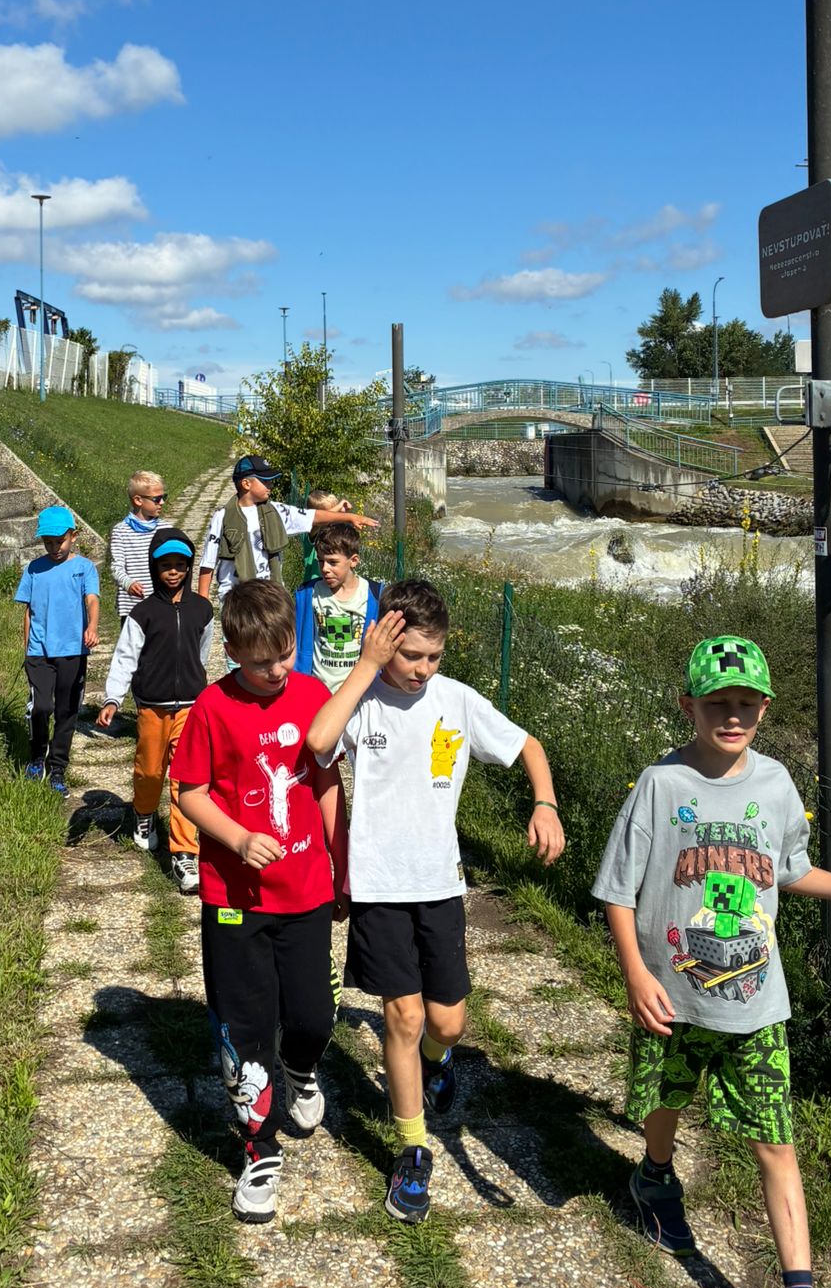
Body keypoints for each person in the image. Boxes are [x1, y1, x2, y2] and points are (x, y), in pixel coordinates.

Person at [591, 634, 831, 1288]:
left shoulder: (776, 784)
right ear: (688, 705)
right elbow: (617, 888)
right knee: (665, 1100)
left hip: (757, 1004)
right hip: (673, 993)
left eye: (747, 704)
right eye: (718, 703)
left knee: (777, 1144)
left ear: (766, 709)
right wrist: (635, 974)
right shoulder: (661, 784)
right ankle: (654, 1176)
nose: (733, 716)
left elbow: (790, 869)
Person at [305, 582, 563, 1223]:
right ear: (384, 641)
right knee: (404, 1015)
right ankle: (412, 1150)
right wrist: (366, 665)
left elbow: (529, 747)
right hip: (379, 888)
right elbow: (317, 743)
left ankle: (435, 1062)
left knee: (446, 1023)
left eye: (433, 656)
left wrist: (545, 803)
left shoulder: (456, 701)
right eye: (411, 655)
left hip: (441, 886)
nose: (422, 669)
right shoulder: (363, 700)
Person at [173, 579, 346, 1223]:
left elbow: (326, 784)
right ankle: (259, 1148)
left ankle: (300, 1066)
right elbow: (190, 792)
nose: (275, 671)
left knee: (313, 1017)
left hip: (306, 888)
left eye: (285, 655)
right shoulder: (212, 707)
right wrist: (239, 839)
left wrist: (342, 861)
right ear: (232, 652)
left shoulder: (312, 695)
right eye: (260, 662)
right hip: (235, 898)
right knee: (245, 1028)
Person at [96, 528, 213, 894]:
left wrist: (199, 686)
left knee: (185, 779)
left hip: (191, 708)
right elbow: (125, 658)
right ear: (153, 567)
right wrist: (113, 698)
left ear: (189, 567)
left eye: (180, 564)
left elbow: (203, 652)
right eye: (165, 565)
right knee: (150, 771)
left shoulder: (202, 610)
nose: (173, 571)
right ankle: (144, 813)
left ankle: (185, 853)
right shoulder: (143, 613)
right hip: (152, 708)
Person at [195, 455, 377, 603]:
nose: (270, 485)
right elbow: (208, 561)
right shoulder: (223, 517)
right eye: (265, 481)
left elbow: (313, 516)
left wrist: (350, 517)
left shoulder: (277, 511)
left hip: (270, 594)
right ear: (246, 484)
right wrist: (203, 603)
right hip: (235, 597)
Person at [15, 504, 99, 794]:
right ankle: (37, 755)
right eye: (48, 542)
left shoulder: (84, 568)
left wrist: (92, 627)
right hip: (39, 651)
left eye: (59, 541)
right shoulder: (34, 569)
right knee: (42, 706)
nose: (54, 548)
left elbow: (92, 600)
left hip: (72, 650)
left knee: (66, 710)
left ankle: (58, 767)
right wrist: (27, 649)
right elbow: (28, 611)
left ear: (73, 536)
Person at [293, 521, 381, 694]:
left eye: (333, 562)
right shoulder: (308, 594)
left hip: (357, 693)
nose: (325, 569)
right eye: (320, 561)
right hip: (316, 691)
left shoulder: (374, 595)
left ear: (353, 561)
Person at [108, 470, 169, 621]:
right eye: (157, 499)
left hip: (161, 603)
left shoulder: (166, 529)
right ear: (138, 500)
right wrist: (128, 583)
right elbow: (116, 567)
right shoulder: (121, 531)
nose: (162, 502)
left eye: (164, 497)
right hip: (132, 607)